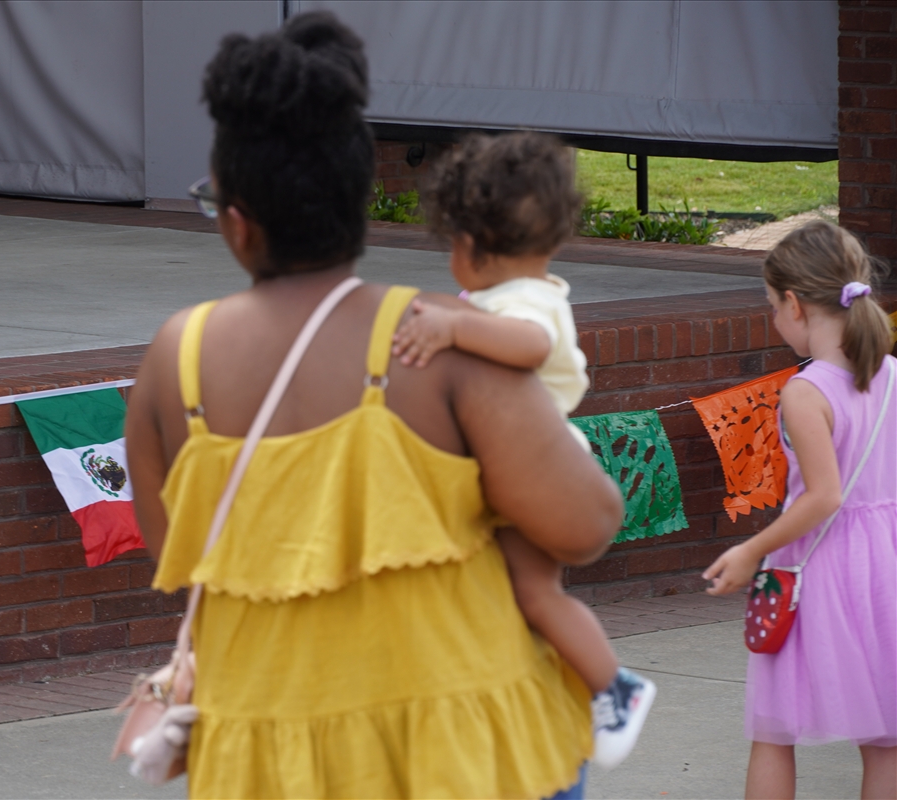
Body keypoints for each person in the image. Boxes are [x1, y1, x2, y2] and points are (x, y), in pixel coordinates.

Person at [124, 11, 624, 799]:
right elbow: (585, 524)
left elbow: (175, 557)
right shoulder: (439, 337)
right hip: (461, 749)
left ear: (238, 222)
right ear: (358, 204)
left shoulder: (173, 361)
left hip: (268, 756)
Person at [390, 131, 656, 769]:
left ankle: (614, 685)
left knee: (536, 591)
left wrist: (455, 326)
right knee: (514, 589)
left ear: (471, 246)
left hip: (540, 464)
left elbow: (531, 345)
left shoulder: (527, 303)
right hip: (526, 460)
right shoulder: (511, 295)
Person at [703, 221, 896, 800]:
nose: (773, 318)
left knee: (774, 731)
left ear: (793, 304)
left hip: (817, 570)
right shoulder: (891, 377)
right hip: (885, 566)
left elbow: (824, 496)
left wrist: (750, 549)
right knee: (886, 742)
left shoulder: (805, 392)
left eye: (771, 306)